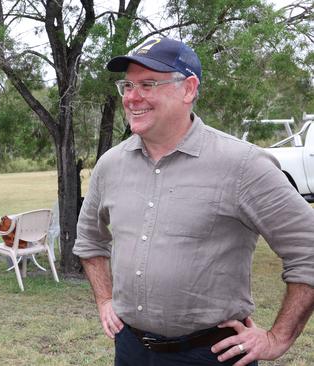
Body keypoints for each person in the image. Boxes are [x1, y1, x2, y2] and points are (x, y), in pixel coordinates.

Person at [73, 36, 314, 366]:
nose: (132, 97)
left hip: (211, 353)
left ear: (188, 89)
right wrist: (104, 300)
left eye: (147, 84)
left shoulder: (243, 165)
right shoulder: (110, 165)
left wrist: (278, 338)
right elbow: (89, 242)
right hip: (130, 350)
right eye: (127, 85)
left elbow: (308, 248)